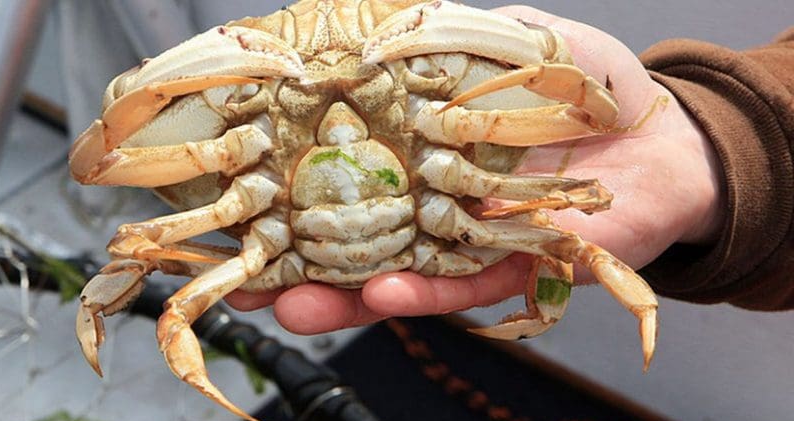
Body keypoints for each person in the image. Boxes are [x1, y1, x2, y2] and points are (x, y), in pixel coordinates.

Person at [225, 5, 794, 334]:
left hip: (449, 220)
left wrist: (700, 151)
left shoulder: (456, 118)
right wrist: (713, 149)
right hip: (400, 231)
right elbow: (130, 148)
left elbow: (587, 105)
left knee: (565, 244)